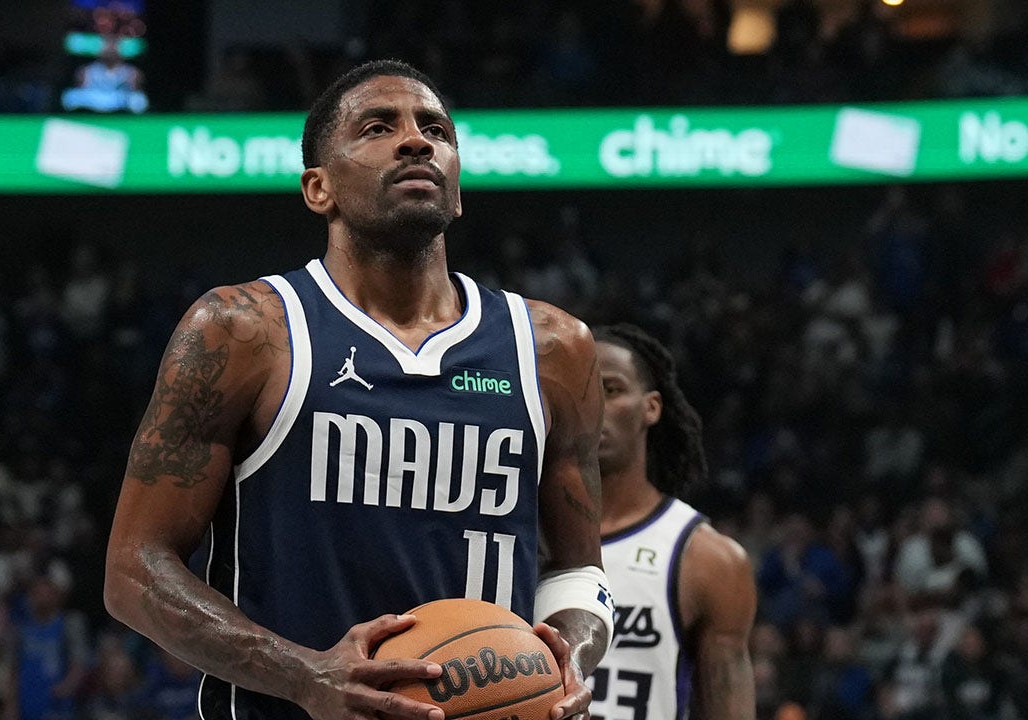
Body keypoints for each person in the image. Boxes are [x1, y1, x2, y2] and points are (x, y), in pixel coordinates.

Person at [104, 59, 612, 720]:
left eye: (436, 130)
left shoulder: (553, 350)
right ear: (319, 188)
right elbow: (133, 569)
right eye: (378, 128)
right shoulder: (244, 331)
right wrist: (304, 676)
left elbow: (579, 573)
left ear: (457, 189)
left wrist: (571, 656)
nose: (416, 141)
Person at [588, 323, 756, 720]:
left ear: (651, 407)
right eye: (579, 391)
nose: (591, 407)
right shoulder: (512, 536)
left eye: (610, 390)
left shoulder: (708, 559)